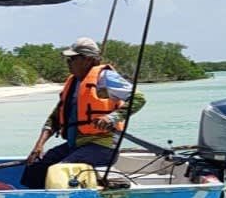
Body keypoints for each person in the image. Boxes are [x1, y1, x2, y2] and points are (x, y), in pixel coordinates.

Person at [20, 37, 146, 189]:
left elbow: (138, 98)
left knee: (60, 171)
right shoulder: (73, 83)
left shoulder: (105, 78)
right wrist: (39, 145)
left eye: (72, 59)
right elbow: (55, 117)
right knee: (36, 166)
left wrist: (112, 118)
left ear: (87, 60)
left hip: (102, 147)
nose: (68, 62)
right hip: (76, 145)